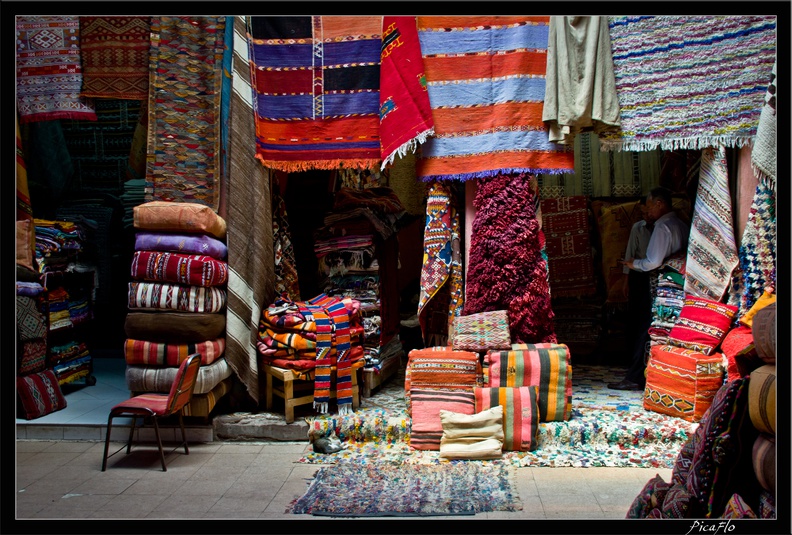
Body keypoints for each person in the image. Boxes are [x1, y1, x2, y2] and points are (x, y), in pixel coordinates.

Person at [608, 186, 689, 391]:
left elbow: (653, 261)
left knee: (644, 327)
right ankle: (655, 373)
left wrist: (635, 264)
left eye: (650, 207)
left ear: (660, 204)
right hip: (673, 285)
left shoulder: (663, 226)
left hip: (654, 282)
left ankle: (636, 376)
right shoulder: (679, 223)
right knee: (660, 328)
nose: (648, 212)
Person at [619, 198, 655, 367]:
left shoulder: (662, 227)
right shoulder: (638, 228)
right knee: (637, 317)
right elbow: (629, 254)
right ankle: (632, 360)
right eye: (643, 213)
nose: (646, 215)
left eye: (647, 212)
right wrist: (626, 280)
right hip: (639, 276)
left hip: (655, 274)